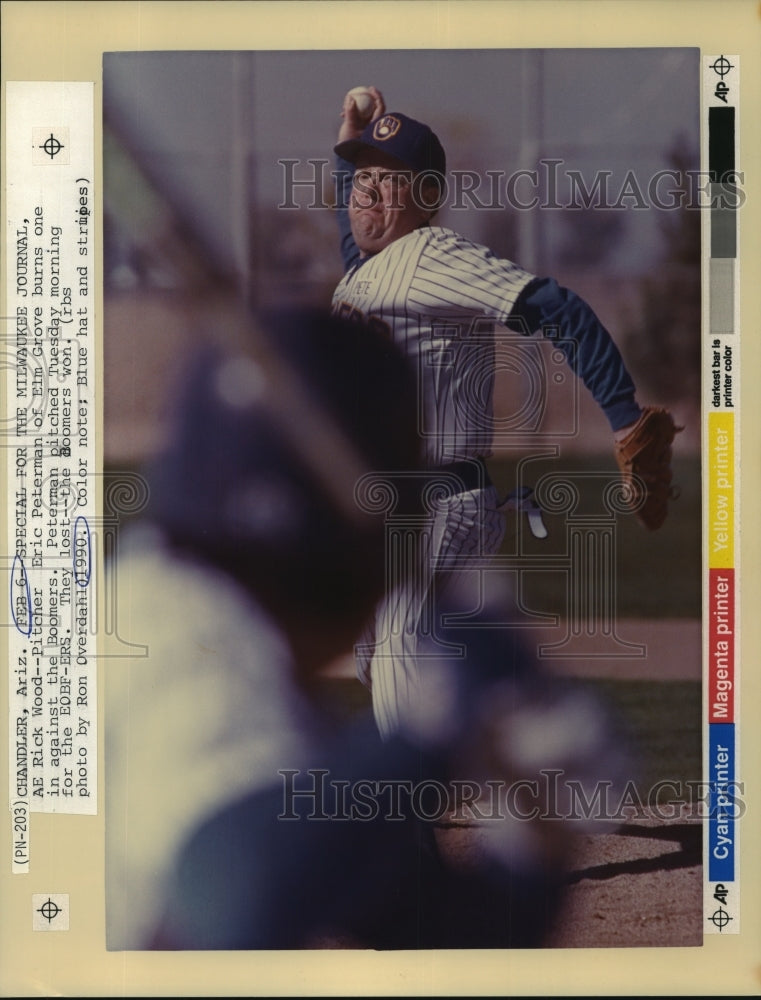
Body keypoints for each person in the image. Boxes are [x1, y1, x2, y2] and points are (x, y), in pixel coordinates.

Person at [105, 306, 589, 951]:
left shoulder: (237, 656)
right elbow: (236, 897)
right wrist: (426, 736)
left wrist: (535, 847)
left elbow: (432, 934)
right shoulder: (166, 635)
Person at [331, 86, 676, 739]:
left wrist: (624, 417)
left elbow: (558, 308)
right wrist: (347, 134)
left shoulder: (433, 257)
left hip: (440, 506)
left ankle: (409, 821)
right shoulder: (369, 268)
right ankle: (508, 764)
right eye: (361, 179)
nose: (367, 194)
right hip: (400, 508)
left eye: (388, 182)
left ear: (427, 199)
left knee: (402, 652)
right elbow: (358, 243)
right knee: (380, 657)